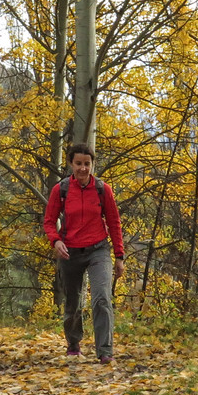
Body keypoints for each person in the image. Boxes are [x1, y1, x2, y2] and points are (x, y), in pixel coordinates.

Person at [42, 143, 125, 363]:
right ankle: (73, 343)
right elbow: (49, 222)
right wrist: (56, 241)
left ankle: (105, 351)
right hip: (70, 251)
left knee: (101, 298)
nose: (83, 168)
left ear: (92, 164)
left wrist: (119, 256)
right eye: (78, 163)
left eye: (87, 164)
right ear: (71, 164)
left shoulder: (102, 189)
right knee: (73, 301)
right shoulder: (60, 190)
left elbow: (114, 222)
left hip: (98, 249)